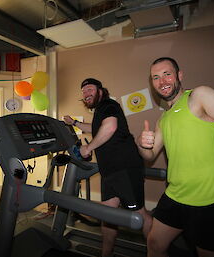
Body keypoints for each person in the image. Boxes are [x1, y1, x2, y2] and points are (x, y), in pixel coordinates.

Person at [137, 57, 214, 257]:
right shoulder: (164, 117)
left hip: (210, 200)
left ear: (179, 75)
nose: (162, 82)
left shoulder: (199, 96)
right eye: (156, 77)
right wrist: (143, 145)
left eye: (167, 74)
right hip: (175, 195)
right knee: (154, 243)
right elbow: (150, 155)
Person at [64, 78, 152, 257]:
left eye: (89, 89)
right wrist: (74, 123)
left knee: (140, 214)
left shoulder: (108, 104)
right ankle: (106, 253)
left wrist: (88, 147)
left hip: (124, 168)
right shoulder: (100, 111)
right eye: (83, 92)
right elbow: (96, 128)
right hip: (110, 171)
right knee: (107, 215)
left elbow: (110, 127)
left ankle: (157, 251)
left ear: (101, 91)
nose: (86, 94)